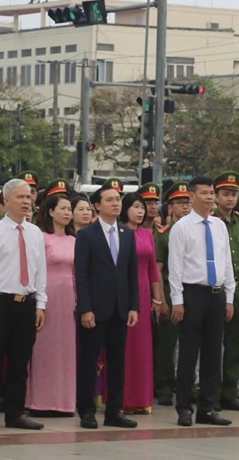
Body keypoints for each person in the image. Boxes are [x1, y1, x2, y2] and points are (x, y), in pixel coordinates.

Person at [0, 179, 46, 431]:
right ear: (6, 201)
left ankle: (16, 412)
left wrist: (41, 303)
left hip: (25, 302)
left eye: (29, 197)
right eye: (20, 197)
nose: (27, 202)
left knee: (20, 362)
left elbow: (40, 271)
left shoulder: (35, 232)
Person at [73, 177, 139, 429]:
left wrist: (134, 306)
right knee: (89, 361)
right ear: (97, 206)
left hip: (120, 308)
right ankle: (87, 410)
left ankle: (115, 410)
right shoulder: (87, 235)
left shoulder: (127, 234)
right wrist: (85, 308)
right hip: (95, 309)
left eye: (118, 199)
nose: (115, 203)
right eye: (109, 200)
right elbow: (82, 274)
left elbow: (132, 273)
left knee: (117, 361)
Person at [169, 175, 234, 427]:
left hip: (216, 295)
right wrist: (177, 300)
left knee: (212, 353)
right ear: (192, 197)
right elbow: (175, 267)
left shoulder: (219, 226)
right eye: (205, 193)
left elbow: (226, 262)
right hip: (192, 293)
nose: (210, 197)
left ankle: (208, 407)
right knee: (187, 353)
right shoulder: (182, 227)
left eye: (211, 193)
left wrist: (229, 297)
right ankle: (184, 407)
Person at [26, 189, 76, 415]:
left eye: (69, 209)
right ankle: (39, 401)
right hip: (46, 295)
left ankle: (64, 402)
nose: (68, 213)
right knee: (43, 348)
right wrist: (39, 301)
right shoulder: (41, 237)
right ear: (51, 211)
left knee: (66, 349)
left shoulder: (75, 240)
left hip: (69, 299)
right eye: (63, 208)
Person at [209, 172, 239, 412]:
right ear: (215, 196)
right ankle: (212, 393)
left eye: (233, 194)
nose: (230, 199)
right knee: (214, 343)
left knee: (236, 344)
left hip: (237, 286)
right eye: (225, 194)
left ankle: (230, 392)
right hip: (216, 288)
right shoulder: (210, 221)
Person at [120, 192, 164, 414]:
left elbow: (152, 270)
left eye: (142, 207)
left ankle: (142, 398)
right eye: (135, 207)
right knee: (123, 347)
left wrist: (157, 299)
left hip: (144, 293)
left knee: (143, 348)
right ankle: (123, 398)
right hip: (123, 292)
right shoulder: (118, 233)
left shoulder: (148, 235)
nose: (140, 211)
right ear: (125, 209)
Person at [153, 182, 191, 407]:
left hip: (192, 288)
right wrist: (162, 300)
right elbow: (157, 269)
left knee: (189, 341)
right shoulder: (164, 234)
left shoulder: (196, 229)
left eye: (188, 202)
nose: (185, 207)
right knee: (168, 342)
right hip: (169, 286)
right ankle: (165, 385)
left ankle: (186, 384)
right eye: (180, 203)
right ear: (171, 207)